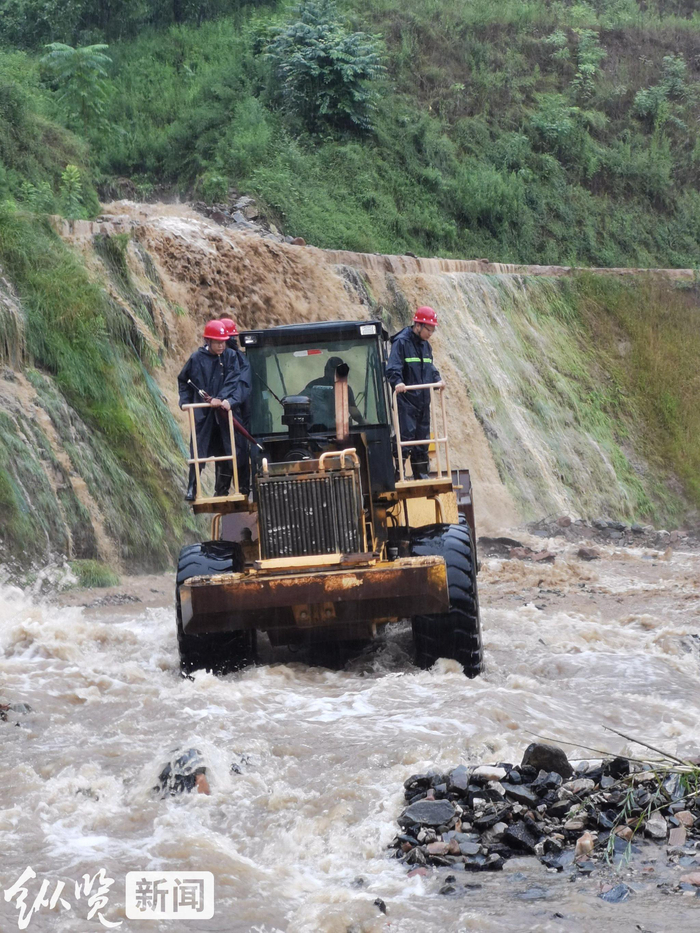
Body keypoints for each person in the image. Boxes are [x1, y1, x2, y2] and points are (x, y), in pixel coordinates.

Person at [177, 319, 243, 501]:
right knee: (199, 451)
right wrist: (184, 402)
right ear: (208, 341)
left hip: (222, 413)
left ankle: (222, 490)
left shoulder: (230, 357)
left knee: (227, 449)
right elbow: (183, 380)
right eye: (218, 342)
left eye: (223, 341)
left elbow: (233, 380)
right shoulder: (196, 359)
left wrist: (220, 398)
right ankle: (192, 488)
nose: (222, 345)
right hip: (203, 414)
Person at [385, 307, 443, 480]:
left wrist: (438, 379)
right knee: (406, 436)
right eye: (428, 329)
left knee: (422, 439)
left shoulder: (426, 346)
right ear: (417, 325)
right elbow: (393, 367)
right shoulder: (401, 343)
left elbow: (430, 368)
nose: (430, 334)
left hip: (424, 401)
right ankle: (398, 472)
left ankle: (421, 474)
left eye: (433, 330)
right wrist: (398, 382)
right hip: (407, 400)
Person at [220, 317, 252, 495]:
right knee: (222, 449)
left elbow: (243, 387)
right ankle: (222, 488)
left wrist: (230, 402)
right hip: (221, 411)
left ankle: (243, 487)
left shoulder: (240, 361)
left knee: (238, 448)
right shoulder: (212, 359)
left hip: (237, 411)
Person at [300, 356, 366, 430]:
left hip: (314, 432)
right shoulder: (344, 388)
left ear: (325, 370)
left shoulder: (312, 385)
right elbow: (353, 410)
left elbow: (301, 408)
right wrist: (362, 422)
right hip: (331, 431)